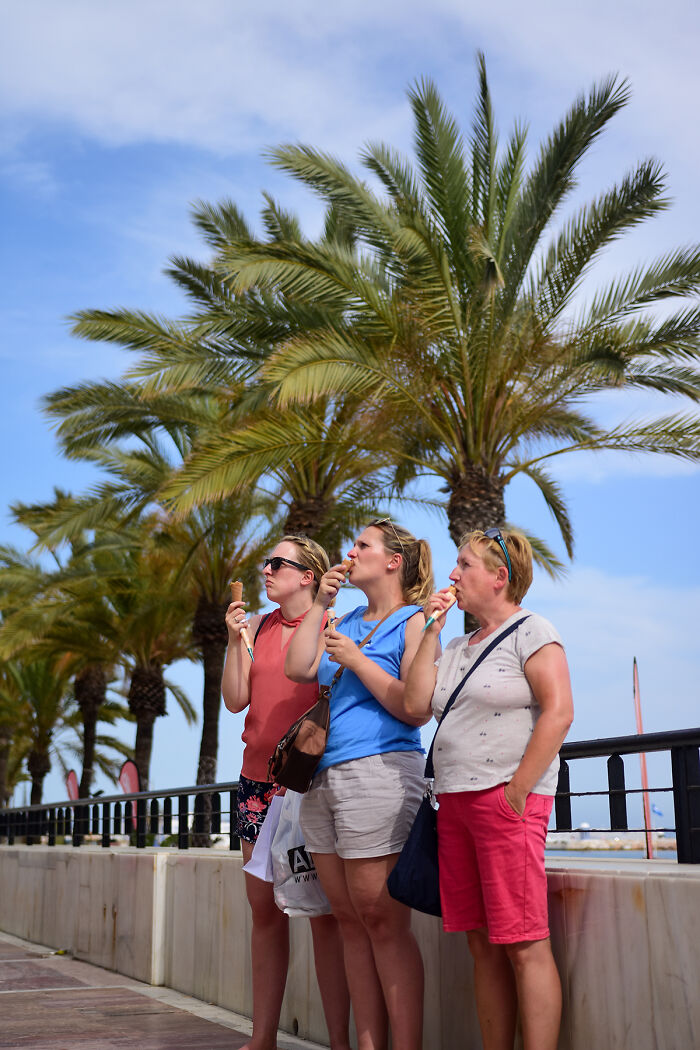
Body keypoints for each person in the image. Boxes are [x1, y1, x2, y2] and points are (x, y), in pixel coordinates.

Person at [402, 528, 574, 1050]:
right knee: (481, 942)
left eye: (464, 565)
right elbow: (414, 704)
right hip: (453, 803)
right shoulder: (455, 646)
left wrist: (517, 792)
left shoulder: (532, 630)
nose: (452, 575)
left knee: (523, 942)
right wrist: (431, 630)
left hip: (504, 803)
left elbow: (560, 711)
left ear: (500, 578)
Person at [285, 519, 438, 1050]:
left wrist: (356, 660)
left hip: (379, 772)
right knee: (348, 919)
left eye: (361, 546)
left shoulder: (414, 621)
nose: (349, 554)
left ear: (393, 561)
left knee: (381, 918)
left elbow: (413, 708)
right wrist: (321, 603)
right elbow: (298, 664)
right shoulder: (344, 617)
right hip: (324, 778)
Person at [222, 534, 351, 1050]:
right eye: (265, 562)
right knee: (264, 910)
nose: (266, 570)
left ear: (309, 576)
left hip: (305, 782)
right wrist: (234, 640)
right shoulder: (255, 627)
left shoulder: (332, 626)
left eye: (278, 563)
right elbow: (235, 701)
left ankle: (340, 1042)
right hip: (256, 784)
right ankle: (262, 1040)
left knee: (323, 914)